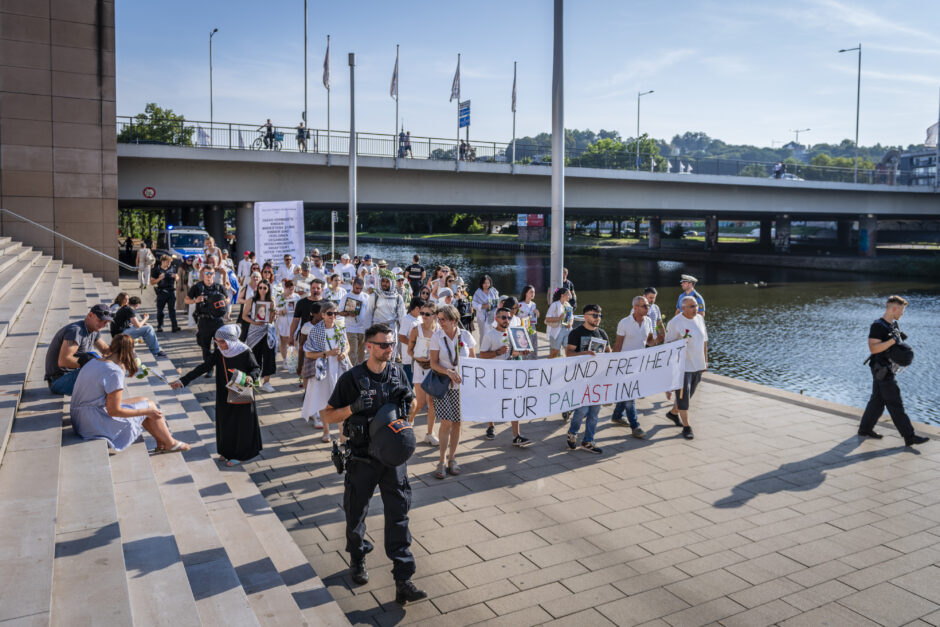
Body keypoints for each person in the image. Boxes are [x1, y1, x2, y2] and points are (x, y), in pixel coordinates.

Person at [319, 324, 426, 604]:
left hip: (393, 459)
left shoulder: (398, 372)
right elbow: (328, 417)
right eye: (383, 345)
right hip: (362, 458)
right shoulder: (352, 378)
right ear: (368, 346)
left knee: (399, 515)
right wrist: (353, 408)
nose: (390, 349)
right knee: (356, 513)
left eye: (391, 344)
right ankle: (357, 557)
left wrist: (410, 403)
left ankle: (404, 578)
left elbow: (412, 410)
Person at [71, 334, 189, 453]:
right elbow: (114, 411)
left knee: (145, 401)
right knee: (148, 408)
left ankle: (163, 440)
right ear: (130, 351)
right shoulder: (114, 371)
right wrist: (146, 411)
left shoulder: (95, 361)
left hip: (80, 418)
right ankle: (170, 442)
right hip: (93, 423)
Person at [171, 325, 263, 466]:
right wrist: (182, 380)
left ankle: (239, 455)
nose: (219, 345)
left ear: (231, 340)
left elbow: (256, 368)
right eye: (217, 341)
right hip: (224, 392)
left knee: (240, 423)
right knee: (225, 421)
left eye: (222, 342)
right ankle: (226, 452)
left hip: (241, 390)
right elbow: (204, 366)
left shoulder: (245, 351)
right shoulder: (220, 352)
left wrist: (251, 377)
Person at [858, 295, 928, 446]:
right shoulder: (878, 326)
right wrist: (892, 341)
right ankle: (909, 436)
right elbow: (873, 348)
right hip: (881, 369)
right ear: (894, 309)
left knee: (877, 400)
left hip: (887, 368)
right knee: (895, 402)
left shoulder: (893, 325)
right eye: (902, 310)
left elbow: (894, 346)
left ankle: (864, 429)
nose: (902, 313)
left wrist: (900, 344)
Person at [429, 304, 476, 479]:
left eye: (443, 319)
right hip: (443, 385)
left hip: (462, 387)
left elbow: (473, 360)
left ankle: (452, 458)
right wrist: (448, 372)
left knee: (457, 422)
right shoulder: (437, 337)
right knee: (446, 422)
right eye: (438, 319)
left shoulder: (466, 335)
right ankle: (441, 460)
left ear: (453, 320)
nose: (439, 322)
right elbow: (433, 363)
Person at [479, 306, 532, 447]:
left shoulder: (513, 333)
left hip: (510, 373)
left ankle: (516, 435)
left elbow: (513, 354)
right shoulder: (489, 335)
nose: (506, 320)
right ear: (496, 318)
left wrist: (522, 352)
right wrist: (497, 352)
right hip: (494, 374)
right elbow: (482, 355)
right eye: (503, 317)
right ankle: (490, 426)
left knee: (514, 401)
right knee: (492, 401)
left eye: (509, 317)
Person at [611, 296, 662, 439]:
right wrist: (611, 364)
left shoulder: (648, 321)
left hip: (639, 364)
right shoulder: (624, 323)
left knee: (627, 393)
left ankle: (616, 415)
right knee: (630, 395)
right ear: (635, 308)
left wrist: (658, 340)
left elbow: (649, 342)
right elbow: (618, 345)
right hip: (624, 365)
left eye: (648, 306)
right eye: (644, 306)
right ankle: (635, 426)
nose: (648, 308)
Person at [564, 304, 611, 454]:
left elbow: (610, 353)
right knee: (582, 410)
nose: (598, 318)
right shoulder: (576, 333)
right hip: (580, 378)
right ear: (585, 316)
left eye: (600, 316)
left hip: (597, 379)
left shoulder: (602, 334)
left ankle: (588, 440)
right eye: (595, 315)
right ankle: (573, 432)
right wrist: (584, 354)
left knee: (594, 412)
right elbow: (569, 354)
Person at [303, 301, 350, 441]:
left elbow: (347, 345)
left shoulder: (340, 328)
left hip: (339, 368)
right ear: (323, 315)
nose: (333, 316)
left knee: (342, 400)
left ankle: (342, 435)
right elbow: (308, 354)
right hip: (323, 369)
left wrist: (345, 353)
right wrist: (327, 353)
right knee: (323, 400)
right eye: (330, 313)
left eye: (335, 313)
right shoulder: (316, 330)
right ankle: (326, 431)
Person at [665, 296, 708, 440]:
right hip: (682, 366)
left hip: (697, 364)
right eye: (692, 306)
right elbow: (668, 345)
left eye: (696, 306)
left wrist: (705, 361)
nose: (696, 308)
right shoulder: (675, 323)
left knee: (688, 395)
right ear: (683, 308)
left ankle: (673, 413)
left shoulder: (700, 319)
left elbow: (704, 341)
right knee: (683, 398)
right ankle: (687, 427)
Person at [45, 304, 112, 395]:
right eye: (100, 320)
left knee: (109, 368)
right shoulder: (76, 331)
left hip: (71, 375)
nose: (102, 324)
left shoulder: (94, 330)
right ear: (90, 315)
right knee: (100, 371)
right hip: (59, 380)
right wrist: (93, 363)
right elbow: (64, 361)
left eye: (105, 322)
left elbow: (105, 349)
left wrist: (122, 353)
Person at [186, 266, 229, 378]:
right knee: (205, 347)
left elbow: (228, 299)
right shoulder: (198, 287)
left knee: (219, 346)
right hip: (204, 320)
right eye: (206, 273)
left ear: (214, 274)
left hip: (217, 321)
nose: (209, 275)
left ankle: (219, 366)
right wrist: (196, 300)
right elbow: (186, 300)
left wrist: (223, 301)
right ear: (203, 274)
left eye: (211, 273)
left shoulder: (219, 287)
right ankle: (209, 368)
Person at [408, 301, 439, 446]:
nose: (424, 316)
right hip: (420, 367)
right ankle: (410, 420)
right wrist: (416, 357)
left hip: (433, 368)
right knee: (420, 402)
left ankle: (429, 433)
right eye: (422, 313)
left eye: (427, 314)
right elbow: (409, 350)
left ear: (434, 316)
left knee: (431, 402)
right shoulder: (416, 330)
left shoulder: (439, 330)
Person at [242, 280, 278, 393]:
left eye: (264, 288)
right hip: (254, 331)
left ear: (268, 289)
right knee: (254, 356)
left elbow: (272, 319)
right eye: (260, 287)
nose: (262, 290)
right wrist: (254, 322)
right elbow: (244, 316)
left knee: (269, 356)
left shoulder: (271, 301)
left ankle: (267, 382)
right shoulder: (251, 300)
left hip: (267, 331)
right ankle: (255, 378)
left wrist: (274, 314)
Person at [291, 278, 325, 376]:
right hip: (305, 337)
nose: (315, 290)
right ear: (310, 288)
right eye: (313, 288)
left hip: (323, 340)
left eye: (318, 288)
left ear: (322, 289)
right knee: (306, 365)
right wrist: (291, 336)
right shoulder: (301, 302)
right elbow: (295, 320)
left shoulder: (327, 304)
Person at [341, 278, 372, 365]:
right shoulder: (346, 297)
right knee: (352, 352)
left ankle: (360, 372)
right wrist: (348, 313)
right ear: (353, 285)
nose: (358, 290)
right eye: (357, 288)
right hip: (350, 329)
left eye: (361, 288)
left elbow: (370, 312)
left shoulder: (366, 296)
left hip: (363, 329)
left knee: (362, 353)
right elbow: (340, 312)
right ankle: (352, 372)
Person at [150, 255, 180, 332]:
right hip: (161, 292)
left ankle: (174, 326)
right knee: (160, 310)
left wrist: (176, 277)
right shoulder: (157, 270)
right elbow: (152, 282)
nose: (169, 263)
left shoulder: (173, 268)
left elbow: (177, 278)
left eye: (170, 262)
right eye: (167, 262)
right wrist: (159, 278)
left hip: (171, 292)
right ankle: (160, 326)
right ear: (162, 261)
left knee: (172, 310)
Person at [276, 280, 300, 370]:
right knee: (284, 342)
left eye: (293, 289)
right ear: (285, 288)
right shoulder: (279, 298)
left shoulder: (297, 297)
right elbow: (275, 311)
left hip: (294, 321)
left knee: (294, 342)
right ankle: (285, 360)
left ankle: (293, 361)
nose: (292, 291)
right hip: (283, 322)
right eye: (290, 289)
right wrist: (282, 311)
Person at [544, 287, 574, 360]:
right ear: (562, 295)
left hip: (567, 330)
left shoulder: (568, 305)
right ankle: (547, 366)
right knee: (555, 352)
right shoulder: (554, 304)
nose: (569, 296)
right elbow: (547, 319)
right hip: (557, 331)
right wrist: (559, 318)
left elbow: (572, 318)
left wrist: (570, 323)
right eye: (568, 294)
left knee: (568, 352)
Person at [398, 297, 422, 384]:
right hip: (408, 358)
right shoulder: (406, 319)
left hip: (419, 356)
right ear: (416, 308)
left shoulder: (420, 318)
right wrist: (414, 345)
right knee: (408, 383)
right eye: (421, 309)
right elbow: (401, 337)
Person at [472, 275, 499, 343]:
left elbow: (498, 301)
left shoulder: (494, 290)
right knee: (483, 334)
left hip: (492, 315)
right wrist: (483, 306)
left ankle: (492, 349)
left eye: (488, 283)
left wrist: (495, 305)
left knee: (493, 332)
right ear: (481, 283)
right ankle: (482, 350)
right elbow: (473, 304)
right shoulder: (478, 292)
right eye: (484, 283)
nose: (486, 285)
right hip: (482, 316)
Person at [517, 285, 540, 359]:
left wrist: (537, 313)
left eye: (534, 292)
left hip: (532, 327)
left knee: (534, 347)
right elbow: (517, 318)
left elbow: (535, 318)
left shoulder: (533, 304)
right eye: (531, 292)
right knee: (526, 349)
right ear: (525, 293)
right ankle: (525, 366)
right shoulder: (520, 304)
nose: (533, 294)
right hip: (523, 329)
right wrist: (526, 316)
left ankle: (534, 365)